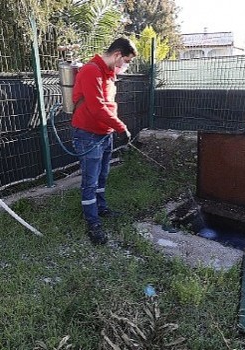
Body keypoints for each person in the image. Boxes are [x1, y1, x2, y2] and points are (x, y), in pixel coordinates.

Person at [71, 37, 137, 245]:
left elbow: (109, 105)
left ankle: (101, 208)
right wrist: (121, 127)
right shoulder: (91, 71)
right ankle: (92, 223)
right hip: (88, 134)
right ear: (117, 54)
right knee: (89, 182)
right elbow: (96, 107)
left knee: (102, 176)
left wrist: (113, 127)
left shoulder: (109, 74)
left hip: (104, 133)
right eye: (126, 61)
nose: (125, 66)